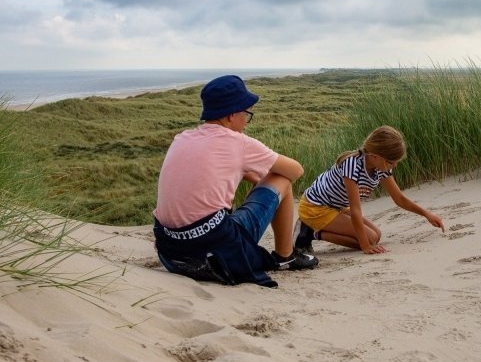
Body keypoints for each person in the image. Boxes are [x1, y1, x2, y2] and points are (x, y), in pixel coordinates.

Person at [153, 75, 318, 288]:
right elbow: (296, 170)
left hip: (172, 252)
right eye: (246, 114)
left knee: (263, 179)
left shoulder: (182, 138)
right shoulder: (237, 143)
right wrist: (262, 179)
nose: (246, 122)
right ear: (231, 115)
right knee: (282, 179)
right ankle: (286, 256)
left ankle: (284, 253)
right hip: (213, 250)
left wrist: (250, 175)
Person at [295, 125, 445, 254]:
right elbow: (355, 211)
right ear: (374, 156)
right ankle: (310, 233)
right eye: (391, 162)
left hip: (337, 206)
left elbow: (399, 199)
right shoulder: (352, 165)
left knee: (376, 235)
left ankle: (314, 232)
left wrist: (427, 214)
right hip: (315, 207)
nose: (394, 165)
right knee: (370, 239)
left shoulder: (381, 167)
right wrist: (365, 246)